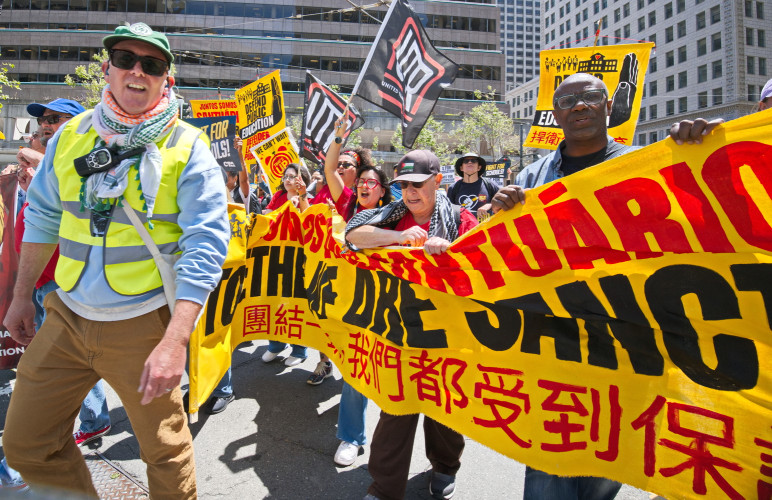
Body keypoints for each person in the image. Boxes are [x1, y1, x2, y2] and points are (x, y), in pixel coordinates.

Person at [2, 23, 230, 499]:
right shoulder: (71, 136)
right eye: (126, 59)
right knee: (26, 444)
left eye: (153, 65)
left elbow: (206, 247)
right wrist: (22, 298)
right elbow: (42, 218)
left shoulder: (188, 147)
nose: (137, 71)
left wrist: (174, 340)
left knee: (165, 456)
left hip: (144, 324)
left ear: (166, 79)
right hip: (66, 315)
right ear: (106, 68)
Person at [491, 72, 639, 500]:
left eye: (590, 97)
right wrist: (500, 213)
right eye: (568, 101)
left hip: (623, 339)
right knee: (548, 463)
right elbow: (507, 253)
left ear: (609, 106)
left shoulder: (644, 164)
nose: (579, 106)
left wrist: (698, 148)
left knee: (606, 461)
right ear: (555, 114)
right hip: (551, 340)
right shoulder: (533, 175)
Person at [346, 149, 477, 500]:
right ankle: (384, 487)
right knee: (395, 411)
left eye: (418, 184)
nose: (410, 193)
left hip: (447, 334)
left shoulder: (462, 220)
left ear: (438, 181)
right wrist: (399, 238)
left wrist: (448, 249)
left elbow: (478, 268)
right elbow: (355, 236)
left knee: (445, 410)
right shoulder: (392, 216)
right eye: (404, 185)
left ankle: (445, 466)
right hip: (398, 333)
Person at [313, 115, 392, 467]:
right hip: (340, 295)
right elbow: (331, 171)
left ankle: (352, 437)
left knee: (359, 368)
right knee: (349, 363)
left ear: (383, 191)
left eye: (371, 182)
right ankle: (352, 429)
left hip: (376, 303)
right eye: (360, 182)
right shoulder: (346, 204)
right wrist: (338, 139)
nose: (363, 186)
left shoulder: (394, 216)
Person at [261, 163, 311, 366]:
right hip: (275, 255)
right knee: (273, 301)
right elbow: (267, 215)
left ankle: (299, 350)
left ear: (302, 179)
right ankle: (276, 344)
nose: (288, 179)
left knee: (294, 304)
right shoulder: (279, 196)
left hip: (297, 258)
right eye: (285, 176)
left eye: (292, 176)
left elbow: (308, 223)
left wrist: (297, 203)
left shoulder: (306, 198)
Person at [446, 152, 498, 219]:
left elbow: (502, 203)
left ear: (479, 167)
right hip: (463, 228)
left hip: (484, 228)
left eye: (473, 161)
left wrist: (490, 205)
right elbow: (448, 211)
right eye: (466, 161)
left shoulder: (490, 185)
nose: (470, 162)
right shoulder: (453, 188)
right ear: (461, 168)